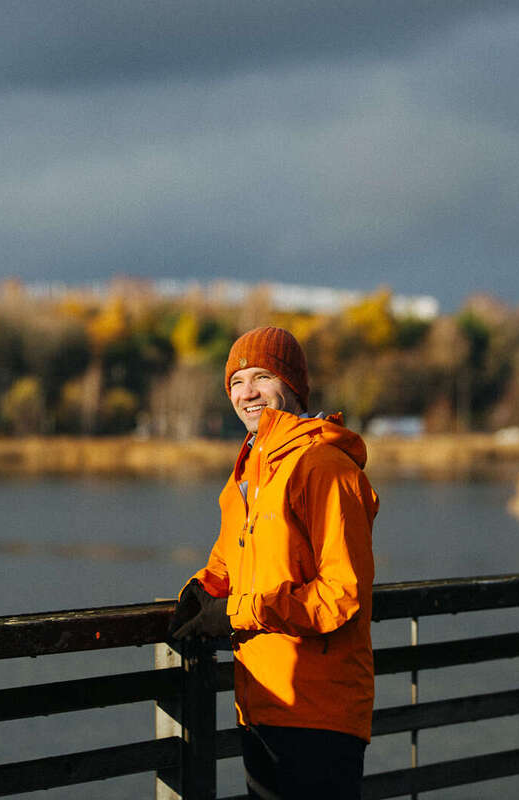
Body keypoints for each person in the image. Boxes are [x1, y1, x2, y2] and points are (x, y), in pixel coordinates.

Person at [168, 326, 379, 799]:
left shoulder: (323, 467)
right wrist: (201, 593)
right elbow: (229, 563)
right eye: (237, 381)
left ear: (294, 385)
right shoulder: (248, 473)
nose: (248, 393)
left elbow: (340, 595)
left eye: (262, 377)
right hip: (262, 702)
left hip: (319, 710)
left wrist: (236, 613)